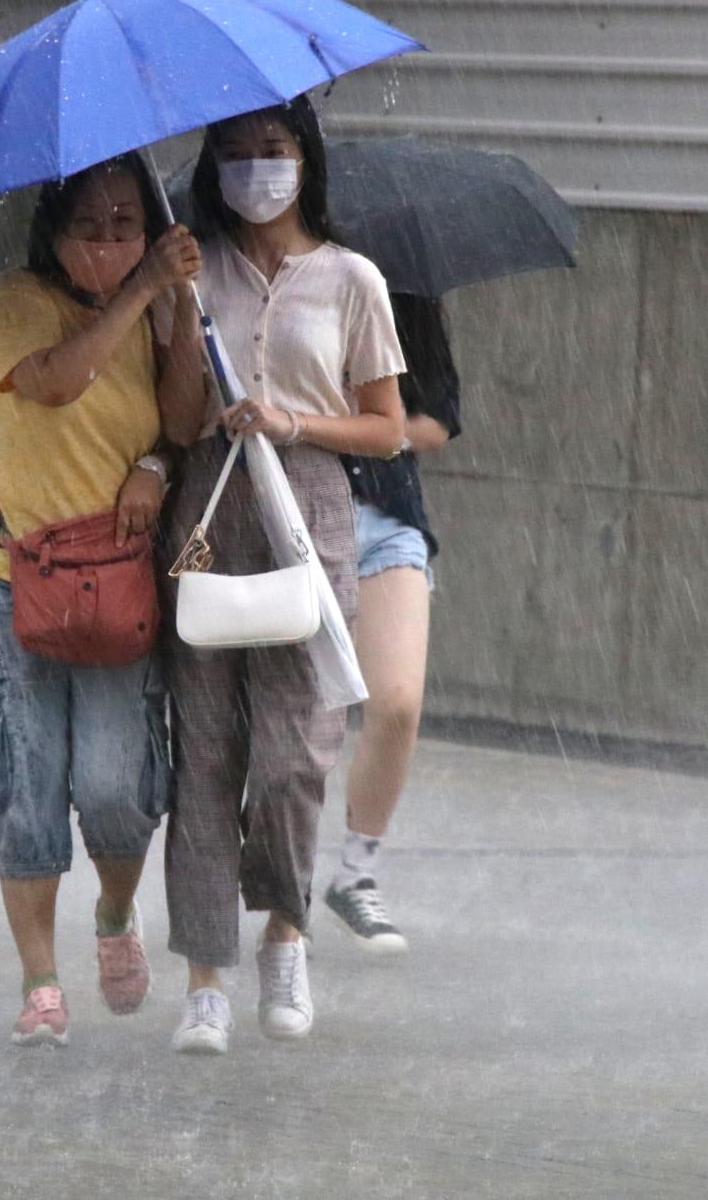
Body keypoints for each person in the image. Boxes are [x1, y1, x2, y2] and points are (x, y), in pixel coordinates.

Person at [0, 155, 206, 1047]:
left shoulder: (159, 301)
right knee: (24, 784)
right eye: (88, 224)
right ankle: (41, 978)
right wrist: (140, 289)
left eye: (127, 223)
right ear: (52, 231)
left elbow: (184, 419)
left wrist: (177, 323)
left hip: (117, 577)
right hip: (15, 580)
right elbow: (58, 380)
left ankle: (115, 911)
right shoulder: (19, 299)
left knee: (117, 787)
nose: (108, 240)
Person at [160, 96, 406, 1054]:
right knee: (208, 750)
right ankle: (206, 979)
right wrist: (179, 312)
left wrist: (293, 421)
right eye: (233, 153)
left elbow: (386, 427)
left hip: (310, 502)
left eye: (272, 149)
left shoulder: (352, 279)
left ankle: (287, 933)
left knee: (299, 748)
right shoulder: (194, 266)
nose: (255, 169)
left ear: (305, 157)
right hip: (210, 502)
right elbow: (177, 421)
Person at [324, 293, 462, 955]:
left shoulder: (398, 288)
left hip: (387, 514)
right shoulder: (257, 274)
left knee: (399, 702)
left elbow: (439, 418)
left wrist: (380, 424)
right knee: (293, 719)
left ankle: (357, 870)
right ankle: (273, 884)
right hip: (288, 512)